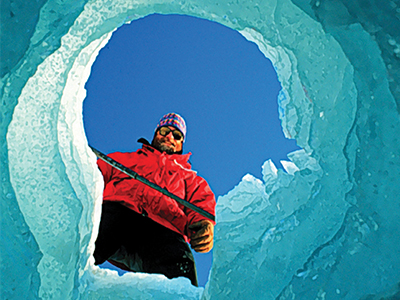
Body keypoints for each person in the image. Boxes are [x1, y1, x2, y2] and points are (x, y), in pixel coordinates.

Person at [93, 113, 216, 286]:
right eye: (164, 131)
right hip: (118, 216)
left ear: (182, 143)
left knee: (182, 268)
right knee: (89, 236)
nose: (169, 137)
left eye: (177, 135)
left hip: (162, 230)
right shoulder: (123, 159)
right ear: (155, 134)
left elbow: (201, 204)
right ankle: (58, 278)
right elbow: (93, 176)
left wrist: (204, 225)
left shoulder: (190, 179)